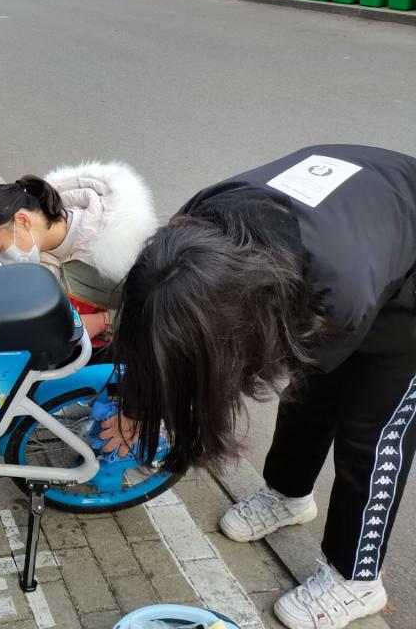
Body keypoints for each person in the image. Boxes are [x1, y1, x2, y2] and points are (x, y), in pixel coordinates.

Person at [102, 145, 416, 629]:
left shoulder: (339, 292)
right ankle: (288, 495)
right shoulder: (191, 230)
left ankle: (357, 579)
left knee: (371, 430)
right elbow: (157, 333)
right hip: (352, 227)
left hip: (400, 283)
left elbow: (236, 365)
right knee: (308, 394)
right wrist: (138, 405)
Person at [0, 162, 156, 345]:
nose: (2, 260)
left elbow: (161, 303)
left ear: (23, 221)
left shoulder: (119, 238)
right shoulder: (40, 260)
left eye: (0, 250)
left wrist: (103, 321)